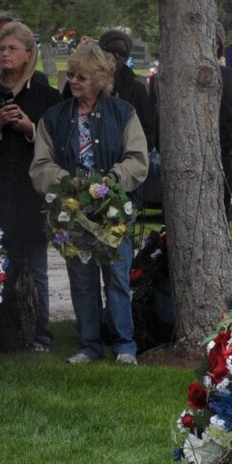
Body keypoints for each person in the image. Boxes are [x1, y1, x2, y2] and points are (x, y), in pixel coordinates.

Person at [31, 39, 150, 366]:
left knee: (117, 278)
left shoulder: (124, 113)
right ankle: (89, 345)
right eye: (71, 75)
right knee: (81, 281)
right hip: (73, 213)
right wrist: (68, 184)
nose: (73, 81)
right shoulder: (54, 117)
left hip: (112, 212)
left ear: (100, 79)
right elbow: (41, 164)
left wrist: (111, 181)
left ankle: (125, 345)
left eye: (81, 76)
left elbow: (138, 159)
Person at [0, 19, 60, 354]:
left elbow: (58, 144)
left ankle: (39, 333)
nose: (4, 54)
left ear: (28, 54)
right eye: (1, 47)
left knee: (36, 266)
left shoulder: (47, 96)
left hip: (31, 193)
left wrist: (30, 128)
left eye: (12, 49)